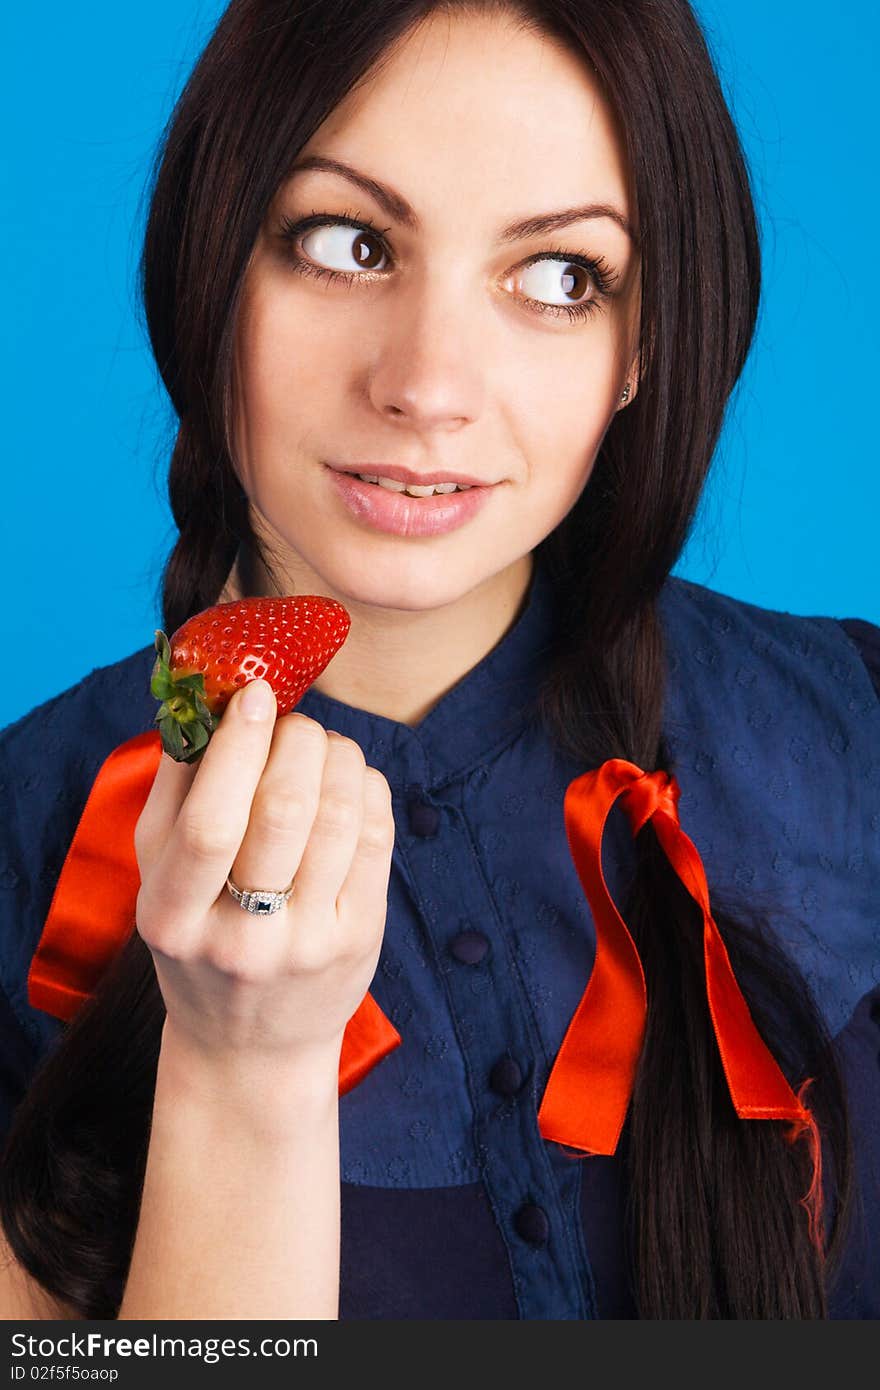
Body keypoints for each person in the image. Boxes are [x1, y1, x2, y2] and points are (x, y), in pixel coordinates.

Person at [0, 0, 877, 1321]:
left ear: (642, 345)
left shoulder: (848, 730)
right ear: (210, 261)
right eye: (346, 244)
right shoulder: (26, 844)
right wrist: (243, 1069)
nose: (429, 385)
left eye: (561, 276)